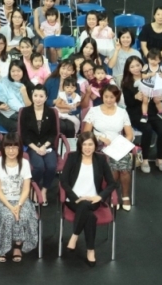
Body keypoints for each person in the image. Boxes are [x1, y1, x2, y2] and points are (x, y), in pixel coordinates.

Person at [59, 132, 117, 267]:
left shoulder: (100, 160)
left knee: (86, 205)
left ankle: (74, 235)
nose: (87, 147)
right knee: (90, 217)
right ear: (80, 145)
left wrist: (100, 196)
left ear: (95, 145)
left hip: (93, 200)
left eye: (90, 144)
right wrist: (74, 197)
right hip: (74, 200)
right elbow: (64, 181)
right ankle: (90, 250)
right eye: (84, 144)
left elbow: (112, 183)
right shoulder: (72, 157)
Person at [0, 134, 39, 262]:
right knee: (7, 216)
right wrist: (11, 207)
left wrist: (19, 205)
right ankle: (1, 249)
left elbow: (26, 188)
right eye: (8, 147)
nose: (11, 151)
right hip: (2, 200)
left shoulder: (25, 163)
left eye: (15, 147)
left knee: (24, 215)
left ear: (20, 148)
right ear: (3, 148)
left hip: (21, 200)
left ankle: (17, 246)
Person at [82, 84, 135, 210]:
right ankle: (112, 194)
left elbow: (129, 135)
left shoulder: (122, 112)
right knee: (112, 166)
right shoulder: (93, 111)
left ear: (116, 98)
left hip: (118, 145)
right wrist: (100, 137)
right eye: (106, 97)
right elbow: (86, 133)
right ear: (102, 96)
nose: (109, 100)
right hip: (99, 145)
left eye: (112, 97)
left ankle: (126, 196)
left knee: (124, 167)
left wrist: (119, 145)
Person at [19, 85, 60, 205]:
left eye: (41, 96)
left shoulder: (51, 112)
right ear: (32, 96)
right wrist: (36, 148)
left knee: (52, 166)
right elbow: (24, 135)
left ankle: (44, 190)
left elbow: (53, 133)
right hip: (31, 146)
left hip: (47, 146)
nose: (38, 99)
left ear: (46, 97)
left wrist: (44, 146)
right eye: (35, 95)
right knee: (39, 166)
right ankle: (33, 188)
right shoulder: (25, 112)